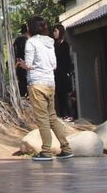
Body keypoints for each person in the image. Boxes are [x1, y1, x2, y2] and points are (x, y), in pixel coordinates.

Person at [21, 15, 72, 162]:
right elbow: (54, 65)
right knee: (52, 117)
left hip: (37, 83)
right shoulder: (51, 42)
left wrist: (23, 64)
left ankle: (46, 151)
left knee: (42, 118)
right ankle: (66, 148)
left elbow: (29, 65)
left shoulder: (31, 42)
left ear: (31, 28)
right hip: (50, 82)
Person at [51, 25, 74, 120]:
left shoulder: (65, 45)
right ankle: (60, 116)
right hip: (56, 74)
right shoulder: (54, 45)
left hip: (64, 74)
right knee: (58, 96)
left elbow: (67, 61)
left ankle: (69, 115)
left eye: (56, 31)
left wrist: (68, 73)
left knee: (65, 96)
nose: (54, 33)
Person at [13, 23, 29, 99]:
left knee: (21, 83)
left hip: (18, 65)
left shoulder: (16, 41)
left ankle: (22, 97)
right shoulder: (28, 41)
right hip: (27, 66)